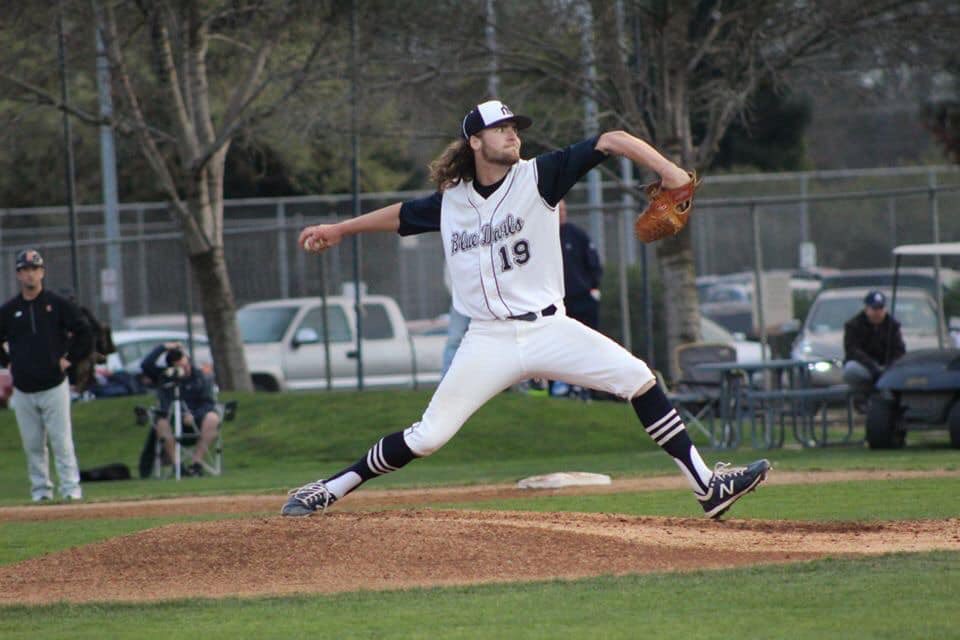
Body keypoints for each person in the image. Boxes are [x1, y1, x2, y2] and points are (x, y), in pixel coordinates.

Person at [283, 99, 770, 519]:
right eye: (501, 128)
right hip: (486, 340)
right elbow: (402, 215)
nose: (513, 134)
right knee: (428, 437)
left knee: (639, 378)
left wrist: (671, 174)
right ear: (475, 141)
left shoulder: (539, 176)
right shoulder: (452, 201)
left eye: (515, 127)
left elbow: (612, 139)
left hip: (550, 329)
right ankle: (327, 489)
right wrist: (341, 230)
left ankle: (706, 485)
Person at [0, 249, 92, 502]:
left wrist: (68, 360)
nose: (30, 274)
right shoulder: (10, 310)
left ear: (42, 272)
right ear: (18, 275)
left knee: (61, 441)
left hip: (53, 385)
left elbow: (85, 332)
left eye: (34, 269)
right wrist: (8, 362)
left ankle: (71, 489)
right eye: (25, 270)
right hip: (24, 388)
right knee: (32, 445)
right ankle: (41, 491)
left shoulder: (57, 305)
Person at [140, 342, 220, 477]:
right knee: (161, 423)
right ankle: (177, 466)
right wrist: (164, 347)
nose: (184, 369)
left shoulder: (200, 378)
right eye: (179, 366)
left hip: (196, 421)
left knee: (212, 417)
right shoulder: (165, 376)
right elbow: (145, 365)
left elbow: (208, 403)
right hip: (171, 419)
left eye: (185, 364)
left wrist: (194, 415)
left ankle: (196, 463)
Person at [842, 290, 906, 405]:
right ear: (866, 309)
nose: (877, 312)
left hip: (887, 368)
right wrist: (873, 367)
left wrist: (888, 366)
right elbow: (852, 351)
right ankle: (863, 398)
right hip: (865, 368)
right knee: (850, 369)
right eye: (874, 308)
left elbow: (899, 350)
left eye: (880, 308)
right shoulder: (853, 325)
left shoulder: (892, 325)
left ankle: (892, 400)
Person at [558, 199, 603, 331]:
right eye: (558, 210)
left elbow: (593, 263)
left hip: (581, 299)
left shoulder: (576, 234)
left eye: (563, 210)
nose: (561, 214)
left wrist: (593, 288)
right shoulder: (543, 236)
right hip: (559, 302)